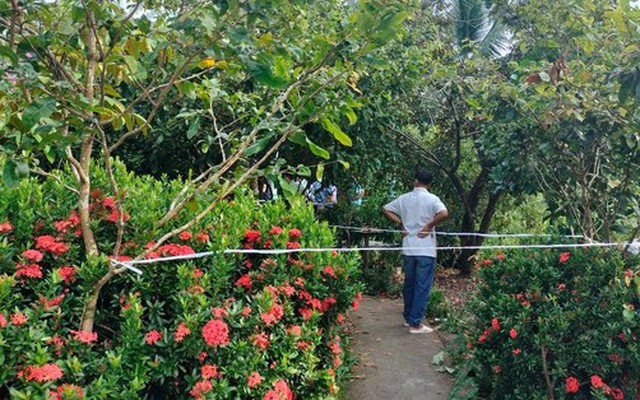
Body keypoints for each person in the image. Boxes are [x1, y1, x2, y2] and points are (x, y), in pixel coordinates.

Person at [383, 168, 448, 334]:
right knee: (422, 286)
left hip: (408, 247)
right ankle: (415, 323)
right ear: (429, 183)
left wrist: (400, 223)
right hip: (426, 249)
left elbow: (386, 209)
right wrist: (428, 226)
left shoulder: (404, 198)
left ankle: (408, 318)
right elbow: (443, 213)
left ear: (415, 180)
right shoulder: (433, 199)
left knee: (409, 284)